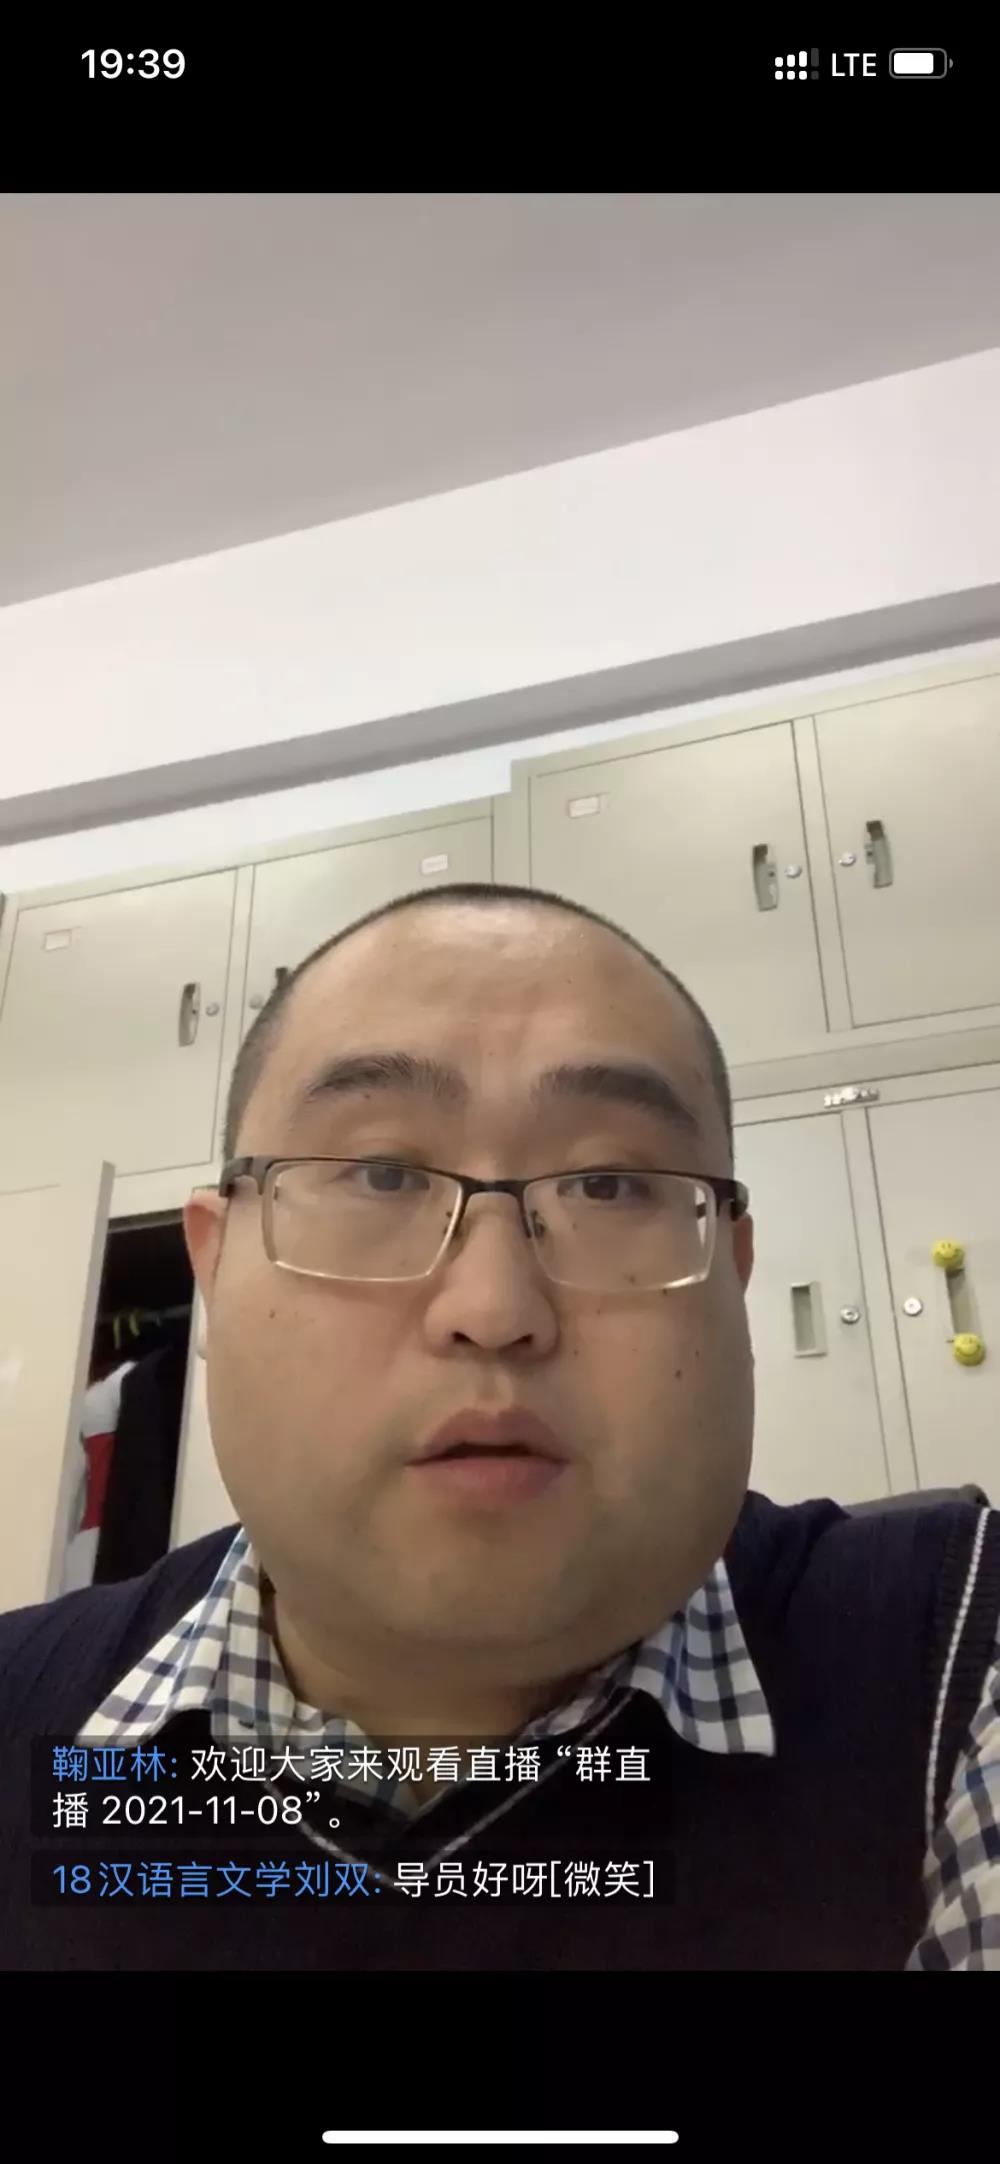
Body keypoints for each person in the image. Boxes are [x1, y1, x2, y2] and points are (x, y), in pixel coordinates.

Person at [2, 879, 998, 1970]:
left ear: (735, 1273)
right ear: (214, 1264)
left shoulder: (960, 1656)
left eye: (608, 1185)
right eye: (382, 1173)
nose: (492, 1307)